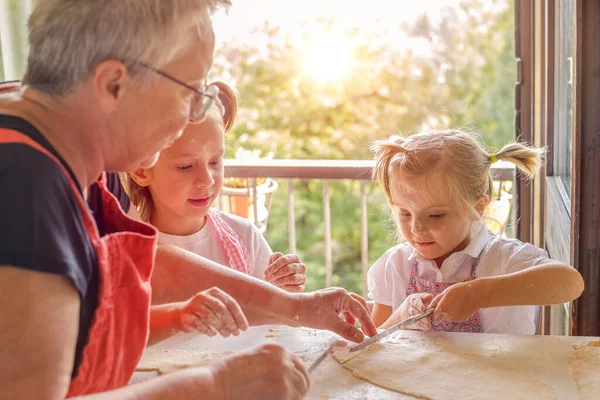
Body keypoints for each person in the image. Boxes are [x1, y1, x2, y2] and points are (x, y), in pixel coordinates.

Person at [0, 1, 375, 399]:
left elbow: (143, 269)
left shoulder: (73, 142)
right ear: (113, 84)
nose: (193, 115)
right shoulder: (23, 187)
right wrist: (216, 386)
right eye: (191, 93)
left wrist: (294, 306)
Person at [368, 129, 585, 334]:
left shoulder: (503, 259)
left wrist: (480, 293)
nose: (416, 228)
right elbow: (371, 344)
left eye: (435, 216)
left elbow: (570, 283)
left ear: (478, 206)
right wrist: (402, 316)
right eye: (405, 213)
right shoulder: (395, 265)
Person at [120, 81, 307, 292]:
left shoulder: (245, 236)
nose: (207, 180)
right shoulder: (130, 256)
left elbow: (278, 312)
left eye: (215, 162)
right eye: (186, 166)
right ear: (141, 171)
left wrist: (287, 288)